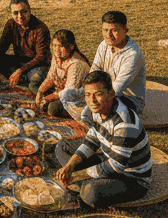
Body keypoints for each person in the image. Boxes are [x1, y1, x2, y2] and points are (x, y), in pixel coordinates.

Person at [54, 71, 152, 207]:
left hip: (131, 179)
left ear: (111, 94)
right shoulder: (98, 109)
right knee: (63, 146)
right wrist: (70, 165)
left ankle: (84, 184)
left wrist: (77, 175)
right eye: (88, 95)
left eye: (98, 94)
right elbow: (92, 140)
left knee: (89, 193)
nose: (92, 100)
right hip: (109, 160)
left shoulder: (124, 123)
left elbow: (116, 166)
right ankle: (85, 181)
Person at [0, 0, 51, 92]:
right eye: (16, 13)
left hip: (36, 64)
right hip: (19, 61)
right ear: (11, 13)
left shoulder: (41, 28)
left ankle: (17, 78)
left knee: (36, 76)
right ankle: (21, 80)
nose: (20, 16)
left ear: (29, 11)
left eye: (23, 11)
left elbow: (40, 57)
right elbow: (1, 46)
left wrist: (20, 71)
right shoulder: (10, 24)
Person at [89, 10, 146, 113]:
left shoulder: (133, 54)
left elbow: (118, 87)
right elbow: (95, 69)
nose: (109, 35)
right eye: (105, 30)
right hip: (102, 93)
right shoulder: (104, 45)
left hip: (128, 100)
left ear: (125, 30)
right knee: (65, 98)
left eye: (114, 30)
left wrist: (92, 96)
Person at [35, 29, 90, 117]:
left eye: (60, 46)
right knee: (35, 86)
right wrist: (40, 92)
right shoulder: (57, 56)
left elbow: (68, 93)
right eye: (55, 45)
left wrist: (46, 98)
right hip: (59, 91)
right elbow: (51, 77)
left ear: (71, 47)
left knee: (53, 108)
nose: (57, 49)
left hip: (75, 99)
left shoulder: (76, 64)